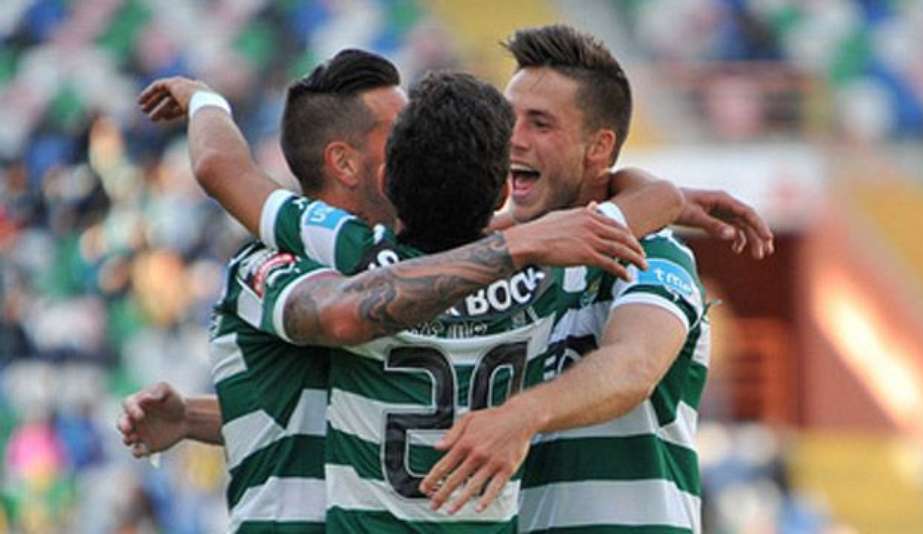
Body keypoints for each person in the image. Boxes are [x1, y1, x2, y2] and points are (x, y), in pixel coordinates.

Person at [124, 50, 646, 533]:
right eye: (402, 129)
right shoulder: (271, 263)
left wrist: (205, 101)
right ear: (346, 162)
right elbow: (341, 323)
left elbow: (367, 393)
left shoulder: (393, 258)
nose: (418, 138)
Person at [417, 25, 731, 532]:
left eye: (540, 123)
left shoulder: (653, 252)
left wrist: (521, 416)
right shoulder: (494, 261)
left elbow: (633, 366)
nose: (513, 138)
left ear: (598, 147)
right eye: (509, 119)